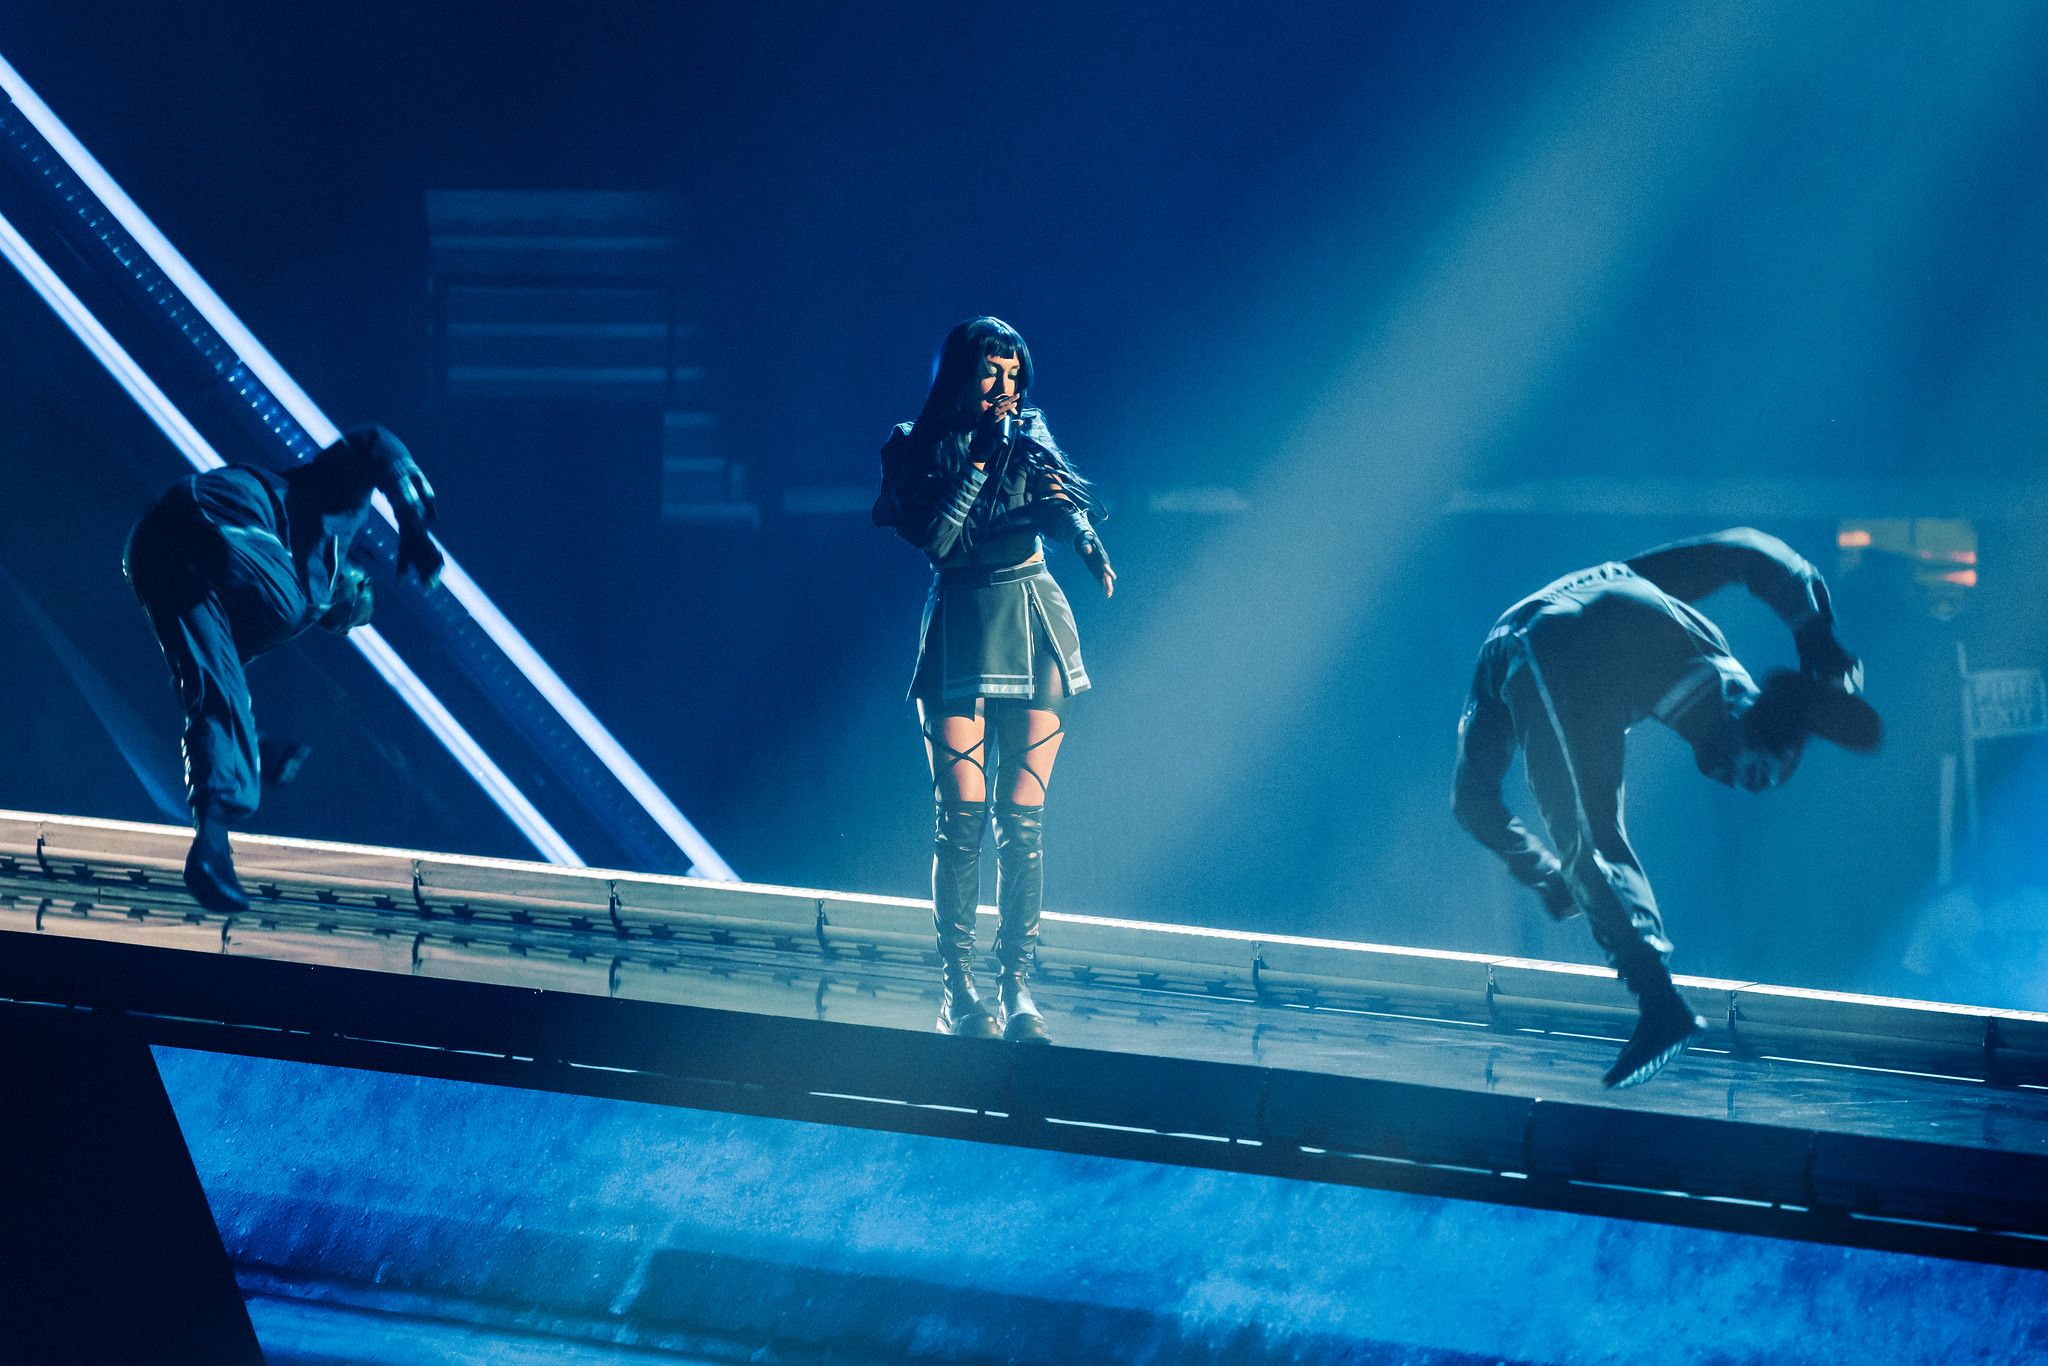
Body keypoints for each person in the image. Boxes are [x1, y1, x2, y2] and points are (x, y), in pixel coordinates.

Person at [1452, 528, 1881, 1088]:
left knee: (1589, 838)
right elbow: (1742, 549)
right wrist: (1813, 630)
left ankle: (1658, 1001)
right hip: (1648, 609)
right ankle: (1767, 728)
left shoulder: (1496, 677)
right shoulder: (1620, 573)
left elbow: (1471, 801)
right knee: (1726, 719)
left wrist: (1546, 874)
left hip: (1547, 644)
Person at [872, 317, 1115, 1043]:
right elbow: (937, 539)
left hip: (1033, 616)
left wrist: (1086, 539)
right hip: (961, 624)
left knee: (1023, 821)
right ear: (960, 375)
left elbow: (1057, 499)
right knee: (962, 818)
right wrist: (978, 459)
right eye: (991, 373)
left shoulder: (1028, 433)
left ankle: (1017, 987)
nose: (1005, 388)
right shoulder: (913, 445)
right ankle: (958, 989)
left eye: (1014, 375)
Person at [124, 425, 443, 913]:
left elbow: (207, 683)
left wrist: (256, 744)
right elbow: (375, 443)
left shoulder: (276, 613)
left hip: (157, 556)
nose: (344, 622)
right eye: (355, 607)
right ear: (359, 574)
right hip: (212, 510)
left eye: (345, 625)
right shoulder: (338, 511)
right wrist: (413, 524)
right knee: (293, 610)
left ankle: (211, 846)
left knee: (218, 684)